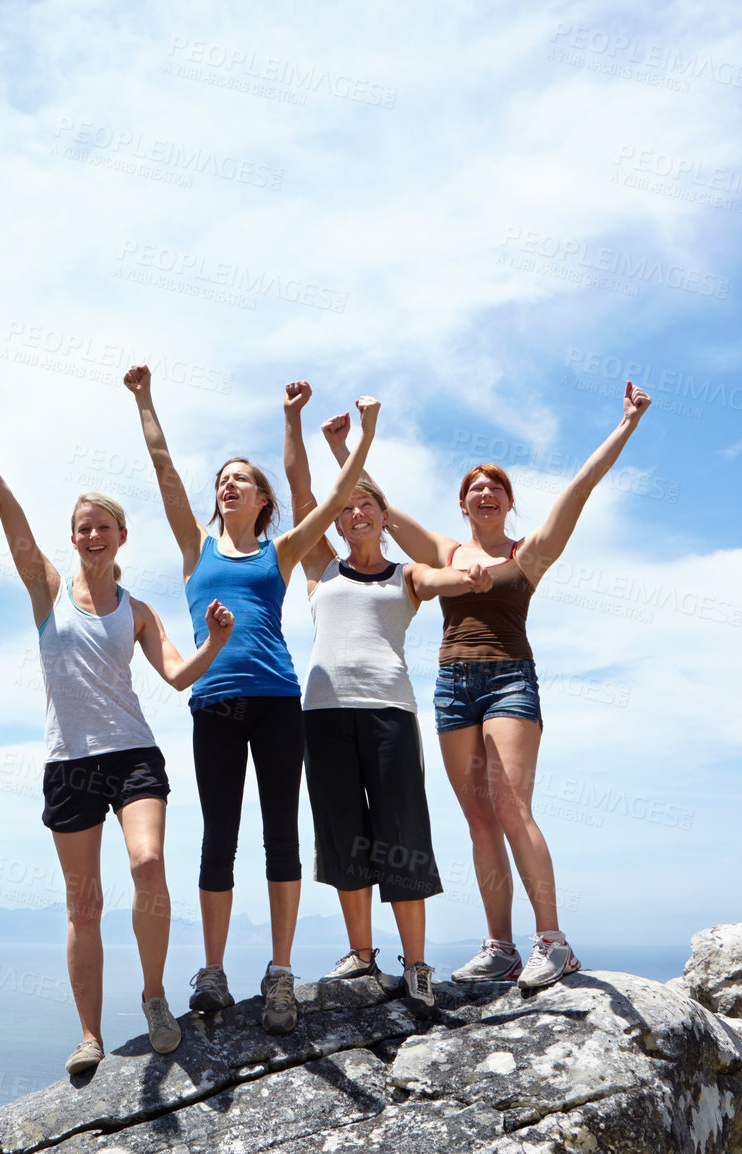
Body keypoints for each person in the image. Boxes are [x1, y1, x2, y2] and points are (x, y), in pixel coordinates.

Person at [321, 382, 654, 990]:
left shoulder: (530, 555)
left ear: (507, 503)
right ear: (464, 506)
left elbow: (581, 487)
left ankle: (551, 940)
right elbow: (381, 513)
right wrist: (346, 449)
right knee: (478, 820)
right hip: (452, 683)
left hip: (508, 681)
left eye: (495, 487)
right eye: (474, 488)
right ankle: (499, 946)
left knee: (510, 806)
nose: (484, 493)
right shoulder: (447, 552)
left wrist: (627, 422)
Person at [0, 396, 235, 1075]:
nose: (92, 535)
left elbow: (177, 675)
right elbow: (4, 501)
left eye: (103, 526)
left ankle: (156, 996)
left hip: (133, 753)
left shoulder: (136, 609)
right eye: (82, 527)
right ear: (72, 538)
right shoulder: (46, 589)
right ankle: (89, 1036)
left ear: (121, 537)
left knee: (146, 864)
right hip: (69, 762)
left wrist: (216, 642)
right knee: (85, 902)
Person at [125, 365, 380, 1034]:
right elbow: (165, 470)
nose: (226, 484)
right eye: (222, 480)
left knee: (280, 838)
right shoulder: (195, 547)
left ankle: (280, 974)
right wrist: (145, 399)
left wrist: (366, 433)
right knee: (217, 839)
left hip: (274, 701)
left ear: (263, 498)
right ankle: (212, 973)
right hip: (213, 705)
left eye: (240, 478)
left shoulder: (282, 550)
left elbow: (328, 507)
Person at [282, 381, 494, 1013]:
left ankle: (418, 966)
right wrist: (292, 421)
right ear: (338, 519)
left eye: (365, 505)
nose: (355, 514)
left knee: (401, 836)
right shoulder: (320, 567)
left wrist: (471, 571)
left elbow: (441, 574)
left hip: (390, 716)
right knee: (344, 834)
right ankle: (363, 956)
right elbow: (298, 488)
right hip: (323, 714)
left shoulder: (405, 575)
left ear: (379, 513)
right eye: (345, 507)